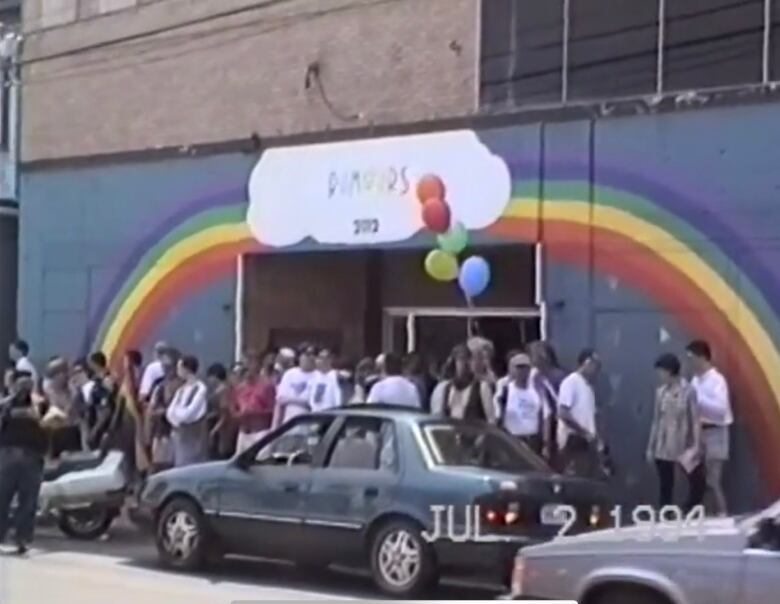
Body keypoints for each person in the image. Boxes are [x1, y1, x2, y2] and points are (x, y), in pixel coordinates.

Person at [646, 353, 705, 511]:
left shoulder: (688, 391)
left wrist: (697, 444)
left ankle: (690, 509)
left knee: (696, 481)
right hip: (663, 442)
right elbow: (656, 420)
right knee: (666, 483)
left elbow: (695, 419)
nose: (659, 375)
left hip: (683, 441)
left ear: (669, 371)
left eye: (661, 371)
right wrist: (651, 446)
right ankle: (666, 512)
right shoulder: (660, 392)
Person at [0, 370, 48, 554]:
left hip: (30, 456)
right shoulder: (5, 405)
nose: (24, 388)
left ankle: (22, 540)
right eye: (21, 384)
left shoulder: (41, 405)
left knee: (27, 501)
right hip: (10, 455)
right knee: (4, 498)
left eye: (27, 385)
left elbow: (53, 420)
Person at [687, 339, 733, 516]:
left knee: (713, 479)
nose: (689, 362)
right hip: (699, 432)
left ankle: (722, 512)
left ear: (702, 357)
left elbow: (721, 409)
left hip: (716, 432)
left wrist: (698, 400)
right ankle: (705, 514)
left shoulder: (717, 380)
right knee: (699, 478)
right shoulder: (695, 381)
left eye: (692, 358)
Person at [557, 349, 603, 477]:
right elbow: (563, 412)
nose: (597, 370)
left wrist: (598, 438)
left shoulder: (588, 387)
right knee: (575, 477)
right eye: (595, 365)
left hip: (588, 442)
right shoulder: (571, 382)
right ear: (586, 363)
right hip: (574, 440)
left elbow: (592, 417)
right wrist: (584, 432)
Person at [494, 352, 549, 454]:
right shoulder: (505, 390)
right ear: (512, 369)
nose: (521, 371)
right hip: (512, 439)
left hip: (533, 440)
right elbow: (497, 416)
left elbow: (546, 416)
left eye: (525, 367)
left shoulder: (537, 390)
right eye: (518, 367)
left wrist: (546, 443)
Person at [430, 345, 496, 422]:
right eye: (460, 359)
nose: (464, 363)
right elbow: (437, 417)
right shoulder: (443, 388)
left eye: (467, 359)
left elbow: (491, 419)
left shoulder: (482, 388)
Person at [166, 355, 209, 467]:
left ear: (186, 369)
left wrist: (178, 415)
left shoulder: (200, 388)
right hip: (179, 434)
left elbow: (189, 413)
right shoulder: (181, 389)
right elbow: (170, 412)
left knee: (192, 465)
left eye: (179, 368)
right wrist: (176, 417)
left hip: (193, 435)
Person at [146, 348, 181, 472]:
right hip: (161, 432)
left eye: (169, 365)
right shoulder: (159, 385)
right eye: (163, 366)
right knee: (160, 466)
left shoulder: (184, 385)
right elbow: (151, 409)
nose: (166, 369)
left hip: (178, 433)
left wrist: (164, 411)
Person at [235, 351, 276, 452]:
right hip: (243, 433)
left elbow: (273, 410)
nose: (247, 367)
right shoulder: (239, 387)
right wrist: (238, 414)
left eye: (250, 363)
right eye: (244, 364)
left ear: (258, 365)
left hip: (260, 433)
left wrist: (254, 412)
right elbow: (234, 409)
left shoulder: (267, 386)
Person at [42, 357, 83, 457]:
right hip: (58, 432)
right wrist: (74, 396)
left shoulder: (69, 389)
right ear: (57, 375)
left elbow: (79, 412)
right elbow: (64, 412)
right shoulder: (50, 391)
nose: (67, 376)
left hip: (72, 429)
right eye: (65, 373)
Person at [274, 343, 317, 428]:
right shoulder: (290, 374)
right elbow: (281, 400)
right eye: (306, 355)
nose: (309, 358)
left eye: (313, 355)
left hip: (309, 424)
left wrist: (291, 399)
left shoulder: (318, 376)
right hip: (288, 423)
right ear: (300, 357)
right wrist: (275, 426)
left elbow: (313, 402)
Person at [85, 352, 120, 451]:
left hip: (102, 422)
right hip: (94, 417)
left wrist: (96, 429)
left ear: (94, 363)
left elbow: (106, 405)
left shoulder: (106, 380)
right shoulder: (96, 379)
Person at [206, 363, 236, 459]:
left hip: (223, 431)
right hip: (221, 428)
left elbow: (224, 415)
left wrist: (213, 432)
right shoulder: (224, 389)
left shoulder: (223, 391)